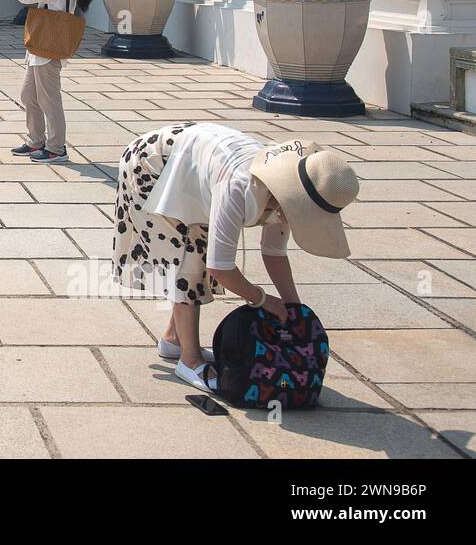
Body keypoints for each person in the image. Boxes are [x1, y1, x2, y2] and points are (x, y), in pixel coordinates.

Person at [111, 123, 360, 391]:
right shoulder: (239, 188)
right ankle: (189, 360)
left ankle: (174, 339)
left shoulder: (288, 189)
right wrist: (262, 300)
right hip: (152, 164)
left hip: (191, 160)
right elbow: (220, 267)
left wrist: (293, 307)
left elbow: (274, 253)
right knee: (190, 259)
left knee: (194, 253)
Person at [3, 0, 96, 163]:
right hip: (40, 49)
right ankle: (36, 140)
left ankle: (57, 147)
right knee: (28, 95)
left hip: (48, 50)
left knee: (49, 101)